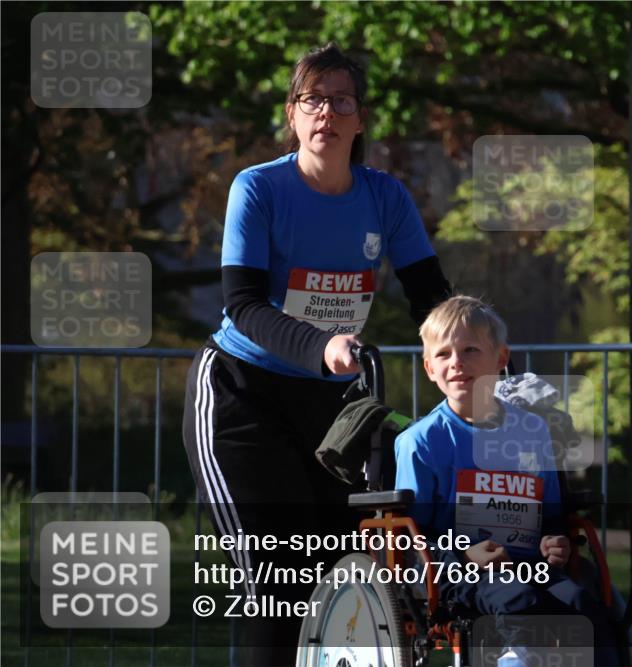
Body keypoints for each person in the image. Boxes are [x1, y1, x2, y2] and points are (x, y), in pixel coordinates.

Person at [181, 43, 451, 666]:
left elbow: (430, 298)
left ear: (360, 120)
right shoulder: (259, 188)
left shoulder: (385, 197)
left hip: (333, 409)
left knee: (345, 580)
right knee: (279, 583)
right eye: (312, 99)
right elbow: (243, 305)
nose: (326, 111)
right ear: (293, 114)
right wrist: (320, 344)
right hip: (241, 396)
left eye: (341, 101)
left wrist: (474, 355)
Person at [394, 296, 619, 666]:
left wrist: (554, 541)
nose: (456, 363)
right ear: (429, 368)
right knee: (517, 597)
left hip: (531, 565)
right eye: (444, 354)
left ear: (500, 358)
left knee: (581, 604)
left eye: (470, 350)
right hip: (457, 571)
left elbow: (550, 514)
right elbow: (411, 538)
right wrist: (464, 555)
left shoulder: (533, 430)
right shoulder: (420, 442)